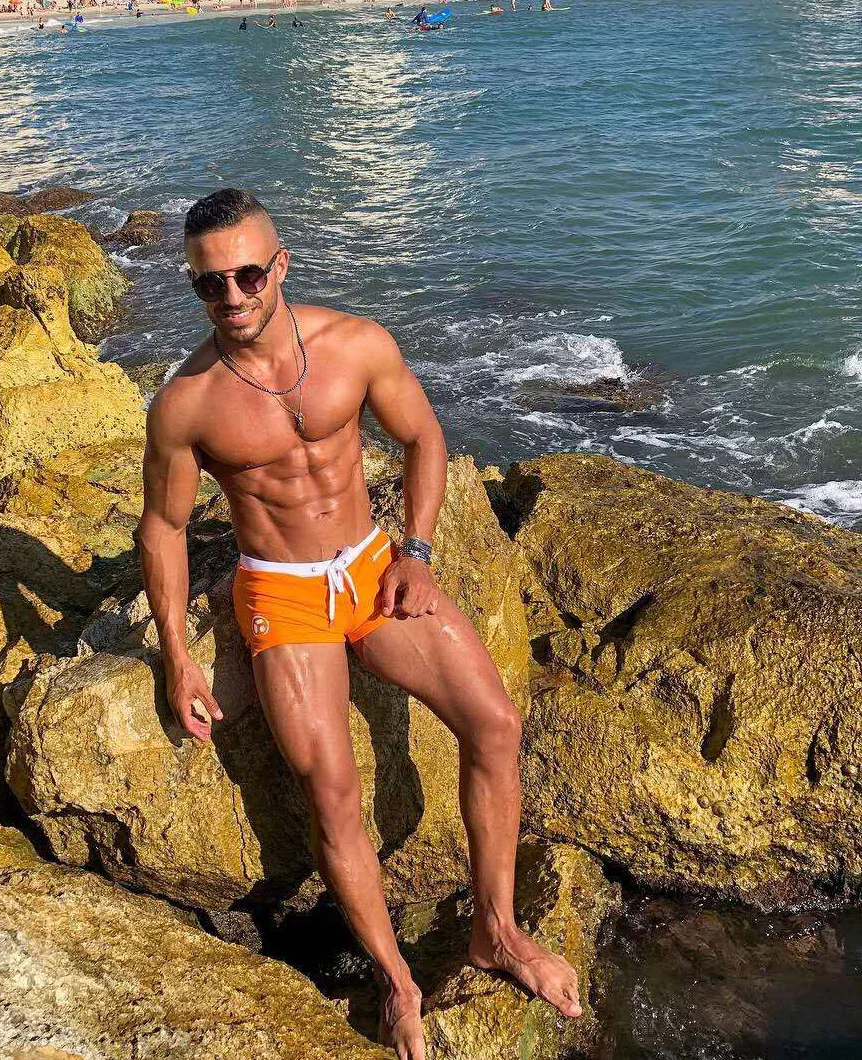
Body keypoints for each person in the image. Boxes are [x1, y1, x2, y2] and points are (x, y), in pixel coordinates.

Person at [139, 189, 584, 1060]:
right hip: (280, 593)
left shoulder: (356, 344)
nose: (231, 296)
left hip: (373, 568)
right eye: (208, 284)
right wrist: (177, 657)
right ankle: (397, 981)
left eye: (247, 275)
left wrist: (417, 549)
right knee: (332, 793)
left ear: (281, 266)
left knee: (496, 723)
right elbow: (163, 527)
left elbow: (424, 439)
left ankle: (496, 930)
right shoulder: (187, 402)